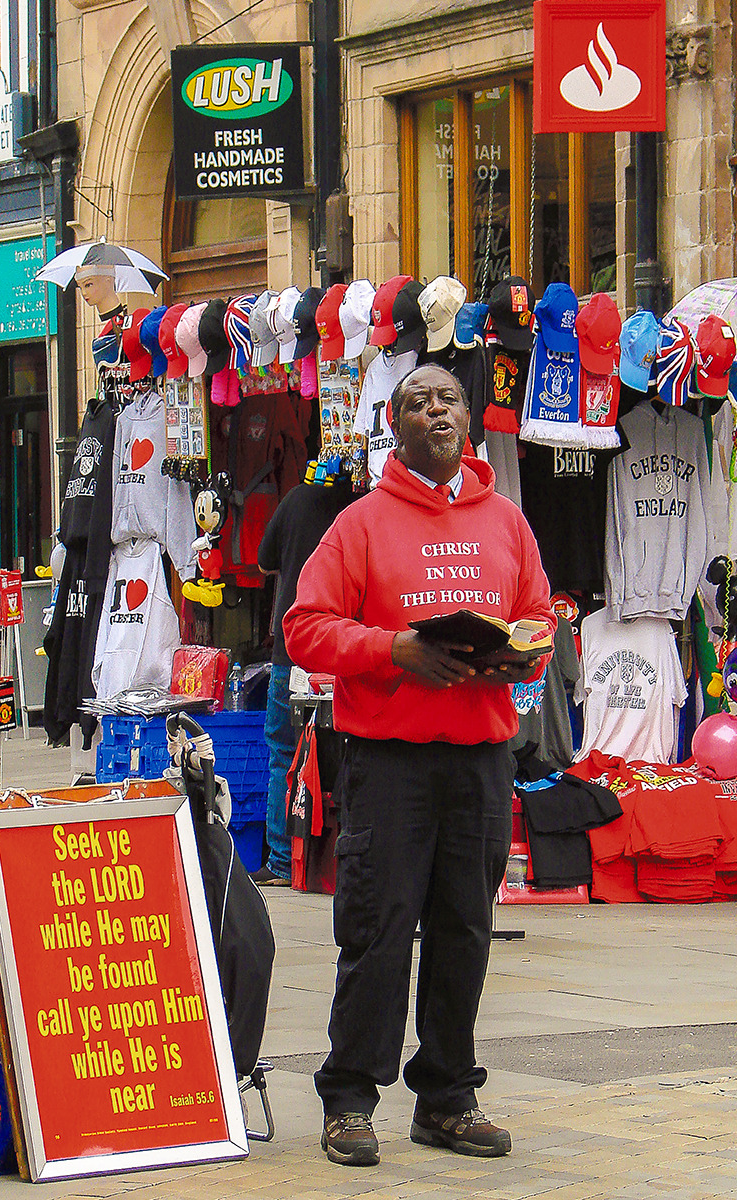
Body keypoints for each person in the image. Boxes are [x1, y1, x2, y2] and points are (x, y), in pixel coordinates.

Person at [284, 364, 555, 1167]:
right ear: (394, 425)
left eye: (446, 398)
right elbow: (305, 627)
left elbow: (539, 615)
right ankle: (348, 1099)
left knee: (466, 930)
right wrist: (395, 648)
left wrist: (519, 655)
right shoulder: (360, 524)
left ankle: (446, 1096)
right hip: (389, 760)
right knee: (377, 928)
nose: (433, 409)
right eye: (415, 402)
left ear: (468, 418)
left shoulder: (506, 520)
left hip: (480, 758)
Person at [253, 468, 356, 885]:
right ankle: (338, 859)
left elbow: (263, 563)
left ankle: (282, 861)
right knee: (348, 748)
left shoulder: (295, 499)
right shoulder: (362, 508)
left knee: (283, 752)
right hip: (343, 646)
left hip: (293, 647)